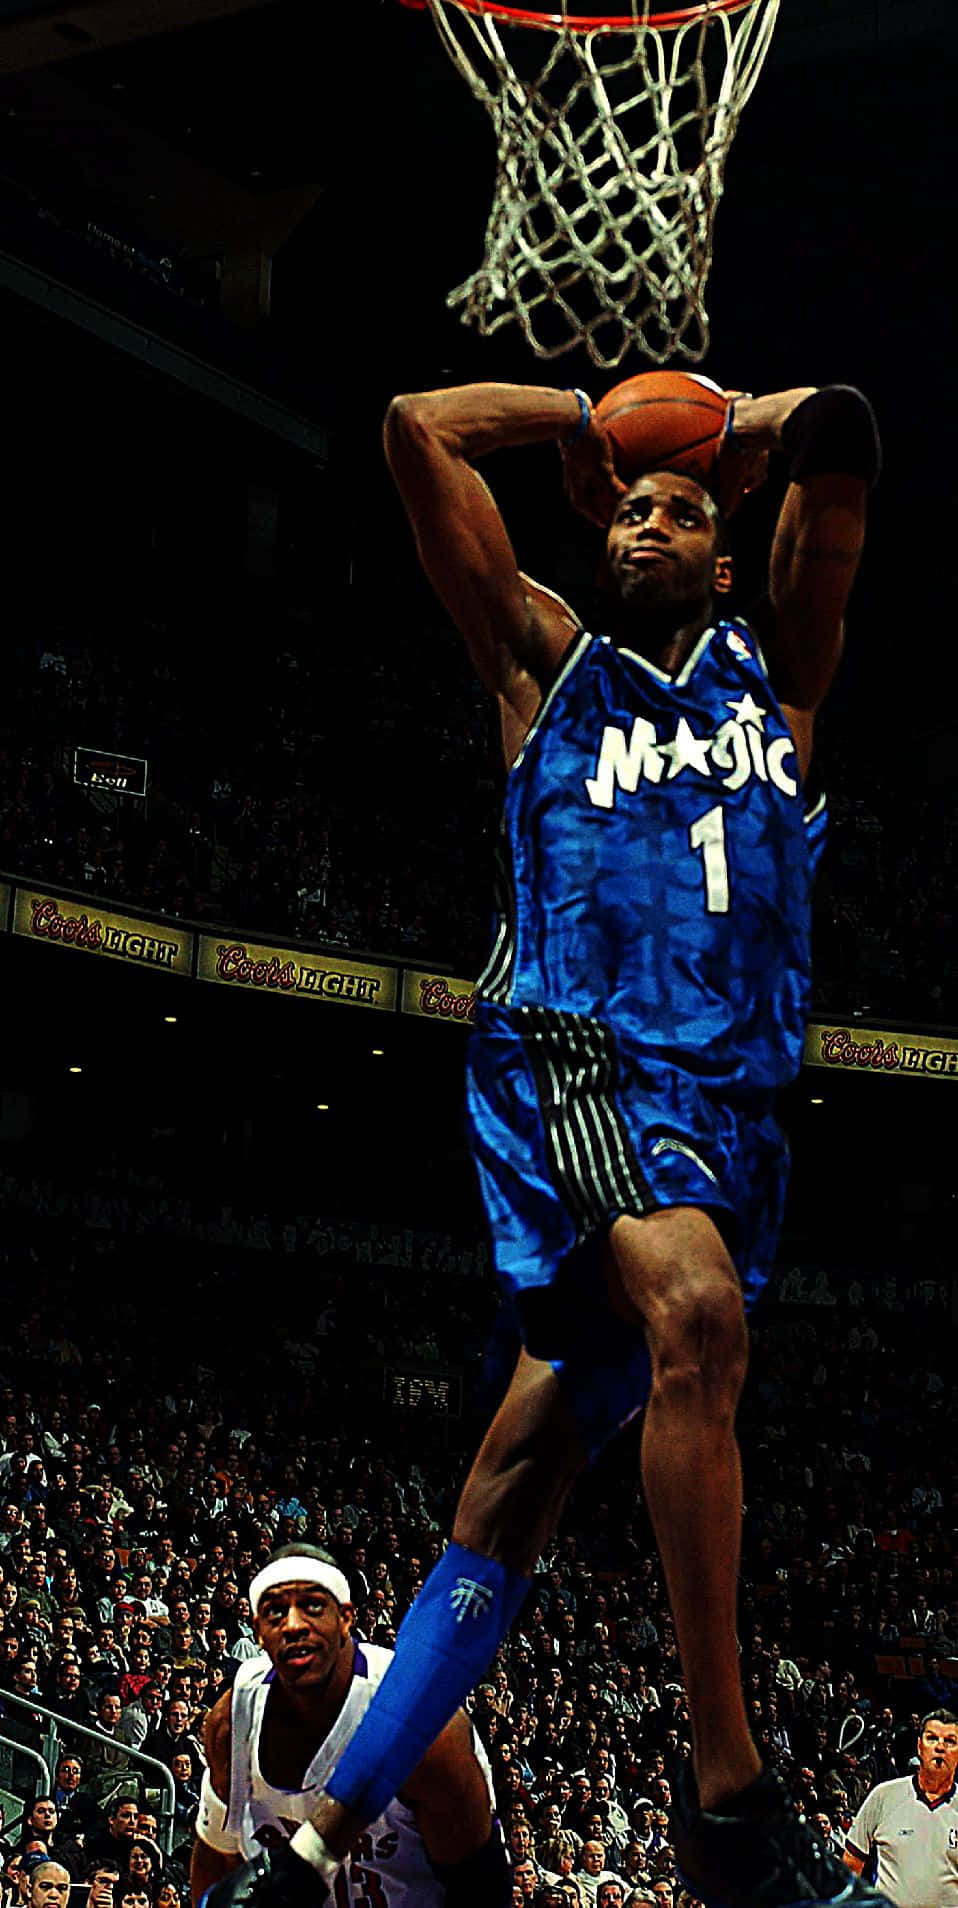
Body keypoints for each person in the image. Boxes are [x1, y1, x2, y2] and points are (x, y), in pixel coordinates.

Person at [199, 375, 885, 1908]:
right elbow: (413, 429)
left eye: (677, 510)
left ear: (726, 556)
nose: (644, 521)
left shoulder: (780, 679)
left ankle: (310, 1845)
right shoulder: (544, 660)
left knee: (516, 1482)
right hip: (572, 1062)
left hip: (723, 1117)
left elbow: (840, 436)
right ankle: (727, 1791)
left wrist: (724, 425)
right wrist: (586, 419)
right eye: (627, 507)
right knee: (695, 1320)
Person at [191, 1543, 508, 1906]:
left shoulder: (422, 1721)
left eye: (312, 1605)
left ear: (345, 1617)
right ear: (257, 1631)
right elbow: (217, 1855)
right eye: (275, 1611)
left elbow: (477, 1885)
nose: (293, 1625)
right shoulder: (231, 1720)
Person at [843, 1709, 958, 1906]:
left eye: (950, 1741)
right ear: (919, 1746)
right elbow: (852, 1861)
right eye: (932, 1738)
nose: (940, 1747)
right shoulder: (884, 1796)